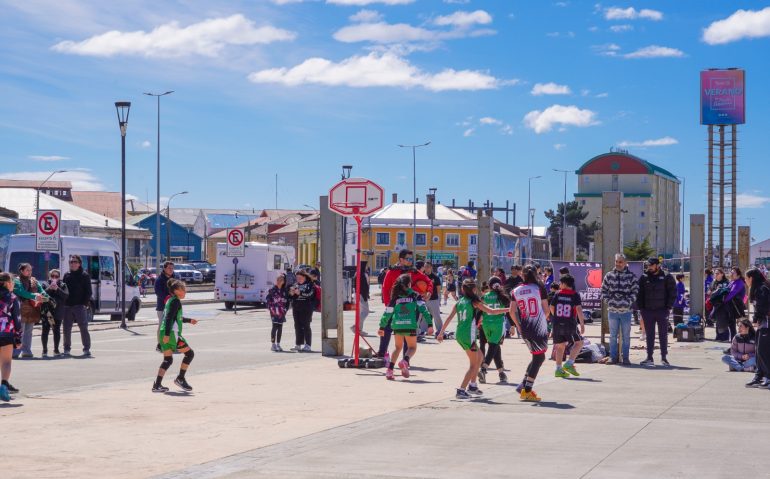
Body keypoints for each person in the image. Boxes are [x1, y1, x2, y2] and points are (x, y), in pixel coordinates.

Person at [438, 279, 508, 399]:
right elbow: (492, 311)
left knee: (480, 357)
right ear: (474, 289)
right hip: (467, 335)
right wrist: (508, 309)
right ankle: (461, 390)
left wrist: (441, 332)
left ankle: (473, 385)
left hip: (460, 333)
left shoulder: (459, 302)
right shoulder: (474, 302)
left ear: (462, 290)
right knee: (474, 364)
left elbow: (449, 318)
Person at [377, 250, 431, 359]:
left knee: (409, 332)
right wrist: (389, 306)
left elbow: (428, 281)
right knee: (386, 329)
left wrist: (429, 291)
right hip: (395, 306)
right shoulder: (391, 272)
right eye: (408, 259)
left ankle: (406, 359)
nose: (411, 261)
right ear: (401, 259)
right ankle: (382, 353)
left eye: (412, 259)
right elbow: (385, 289)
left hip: (411, 308)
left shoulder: (414, 272)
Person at [378, 274, 433, 381]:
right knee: (412, 347)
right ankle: (405, 361)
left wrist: (382, 326)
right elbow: (424, 309)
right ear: (409, 284)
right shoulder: (415, 295)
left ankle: (389, 370)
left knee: (397, 347)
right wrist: (430, 324)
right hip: (410, 325)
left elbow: (387, 312)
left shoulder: (396, 297)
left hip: (397, 325)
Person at [510, 266, 551, 402]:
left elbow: (511, 311)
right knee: (539, 358)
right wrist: (541, 321)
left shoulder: (515, 290)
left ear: (523, 275)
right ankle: (527, 390)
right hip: (538, 327)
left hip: (525, 327)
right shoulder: (539, 288)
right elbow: (546, 310)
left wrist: (518, 325)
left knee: (536, 356)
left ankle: (523, 384)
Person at [153, 280, 198, 392]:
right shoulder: (175, 302)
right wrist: (168, 334)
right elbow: (169, 318)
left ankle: (157, 385)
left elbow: (174, 317)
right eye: (183, 289)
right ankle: (180, 378)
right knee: (189, 354)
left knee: (168, 359)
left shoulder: (170, 300)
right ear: (177, 290)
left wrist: (188, 320)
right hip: (171, 333)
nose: (185, 291)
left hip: (165, 331)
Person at [637, 257, 676, 367]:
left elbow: (673, 292)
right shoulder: (644, 277)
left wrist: (668, 307)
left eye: (651, 265)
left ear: (657, 265)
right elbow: (639, 294)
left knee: (663, 334)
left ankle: (664, 357)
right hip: (647, 311)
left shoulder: (666, 276)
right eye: (648, 265)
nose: (649, 267)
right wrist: (642, 308)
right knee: (649, 335)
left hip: (662, 311)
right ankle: (649, 357)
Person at [601, 253, 639, 365]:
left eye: (620, 262)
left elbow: (635, 291)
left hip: (626, 312)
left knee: (626, 336)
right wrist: (609, 302)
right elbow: (603, 291)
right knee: (612, 336)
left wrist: (627, 302)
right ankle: (613, 357)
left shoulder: (631, 276)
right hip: (612, 311)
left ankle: (625, 358)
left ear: (626, 263)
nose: (618, 264)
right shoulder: (609, 275)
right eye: (616, 261)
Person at [550, 274, 586, 378]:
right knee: (579, 343)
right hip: (570, 322)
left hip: (557, 323)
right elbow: (579, 309)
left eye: (560, 283)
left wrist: (556, 317)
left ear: (565, 284)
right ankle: (569, 363)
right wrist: (582, 324)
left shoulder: (557, 294)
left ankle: (558, 369)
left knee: (560, 346)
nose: (559, 285)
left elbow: (551, 307)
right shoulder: (574, 295)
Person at [478, 276, 510, 384]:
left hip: (486, 324)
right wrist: (514, 325)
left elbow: (479, 311)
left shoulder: (484, 296)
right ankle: (483, 369)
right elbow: (509, 310)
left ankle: (501, 373)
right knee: (493, 346)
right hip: (498, 324)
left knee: (495, 346)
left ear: (489, 286)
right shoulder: (502, 296)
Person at [13, 262, 49, 359]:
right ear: (21, 271)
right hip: (21, 308)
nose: (29, 272)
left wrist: (45, 295)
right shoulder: (16, 281)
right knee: (20, 331)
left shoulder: (34, 280)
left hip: (33, 308)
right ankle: (15, 352)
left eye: (30, 270)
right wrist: (35, 296)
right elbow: (21, 292)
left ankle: (26, 351)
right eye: (27, 270)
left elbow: (41, 289)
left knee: (29, 331)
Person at [62, 255, 93, 357]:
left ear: (79, 263)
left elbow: (89, 292)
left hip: (79, 306)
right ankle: (66, 349)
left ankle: (86, 349)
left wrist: (84, 304)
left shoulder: (85, 275)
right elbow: (63, 290)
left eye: (75, 262)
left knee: (83, 327)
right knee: (66, 328)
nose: (73, 264)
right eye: (71, 262)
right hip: (67, 306)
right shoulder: (66, 275)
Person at [745, 268, 770, 388]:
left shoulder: (762, 289)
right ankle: (759, 376)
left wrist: (755, 318)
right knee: (758, 350)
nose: (745, 281)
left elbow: (763, 307)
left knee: (763, 351)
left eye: (746, 278)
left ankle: (768, 377)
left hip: (767, 323)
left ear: (751, 278)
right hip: (762, 324)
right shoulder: (757, 289)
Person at [0, 272, 22, 401]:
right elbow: (17, 319)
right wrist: (18, 337)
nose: (13, 284)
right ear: (7, 283)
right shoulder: (12, 297)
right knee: (6, 361)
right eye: (12, 282)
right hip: (6, 332)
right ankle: (3, 387)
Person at [42, 269, 69, 357]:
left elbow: (66, 296)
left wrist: (57, 289)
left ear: (59, 277)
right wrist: (50, 288)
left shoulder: (63, 285)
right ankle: (44, 350)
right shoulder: (45, 284)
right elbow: (42, 295)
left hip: (58, 311)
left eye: (56, 276)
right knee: (45, 330)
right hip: (48, 311)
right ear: (50, 276)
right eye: (52, 276)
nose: (54, 278)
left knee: (56, 330)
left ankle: (56, 350)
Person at [289, 270, 315, 352]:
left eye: (300, 278)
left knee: (306, 326)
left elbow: (310, 295)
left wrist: (300, 293)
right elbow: (291, 297)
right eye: (297, 278)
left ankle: (308, 345)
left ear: (304, 277)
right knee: (297, 326)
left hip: (307, 308)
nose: (298, 279)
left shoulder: (310, 285)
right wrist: (291, 294)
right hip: (296, 308)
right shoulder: (295, 285)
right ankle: (298, 344)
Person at [154, 261, 175, 351]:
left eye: (172, 268)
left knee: (172, 326)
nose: (171, 270)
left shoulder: (174, 278)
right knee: (162, 326)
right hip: (162, 307)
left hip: (173, 307)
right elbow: (158, 292)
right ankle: (159, 344)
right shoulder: (159, 279)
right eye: (169, 268)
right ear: (164, 269)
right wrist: (167, 298)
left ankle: (169, 344)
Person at [722, 267, 746, 341]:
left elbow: (731, 293)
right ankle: (734, 342)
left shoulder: (739, 282)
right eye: (731, 272)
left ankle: (739, 341)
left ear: (738, 275)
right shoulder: (732, 282)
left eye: (733, 273)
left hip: (737, 307)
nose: (731, 274)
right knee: (731, 325)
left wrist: (724, 300)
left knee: (740, 325)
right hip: (731, 306)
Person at [266, 273, 289, 352]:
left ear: (283, 281)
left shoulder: (284, 291)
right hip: (274, 311)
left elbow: (287, 302)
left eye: (281, 280)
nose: (279, 281)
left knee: (280, 328)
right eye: (277, 280)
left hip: (281, 312)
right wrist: (271, 308)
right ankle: (273, 344)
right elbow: (268, 300)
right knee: (274, 327)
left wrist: (285, 310)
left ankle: (278, 344)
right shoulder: (272, 290)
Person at [421, 262, 443, 338]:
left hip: (434, 299)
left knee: (436, 316)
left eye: (428, 267)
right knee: (424, 316)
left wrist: (439, 300)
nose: (426, 268)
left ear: (431, 268)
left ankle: (439, 330)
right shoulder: (421, 276)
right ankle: (423, 330)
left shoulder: (435, 277)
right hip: (423, 299)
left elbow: (438, 289)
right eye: (425, 267)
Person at [708, 268, 730, 333]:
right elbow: (709, 291)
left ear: (722, 274)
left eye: (717, 273)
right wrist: (713, 292)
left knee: (722, 321)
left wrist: (716, 292)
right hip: (715, 304)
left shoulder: (725, 282)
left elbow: (724, 292)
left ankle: (724, 336)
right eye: (715, 273)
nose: (716, 275)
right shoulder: (713, 282)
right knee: (717, 321)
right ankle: (718, 336)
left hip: (723, 304)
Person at [353, 261, 371, 335]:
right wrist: (366, 295)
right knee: (365, 312)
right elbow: (365, 286)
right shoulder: (364, 274)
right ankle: (357, 328)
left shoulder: (356, 273)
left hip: (357, 294)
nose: (367, 267)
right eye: (366, 266)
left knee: (361, 312)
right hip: (362, 295)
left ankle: (358, 329)